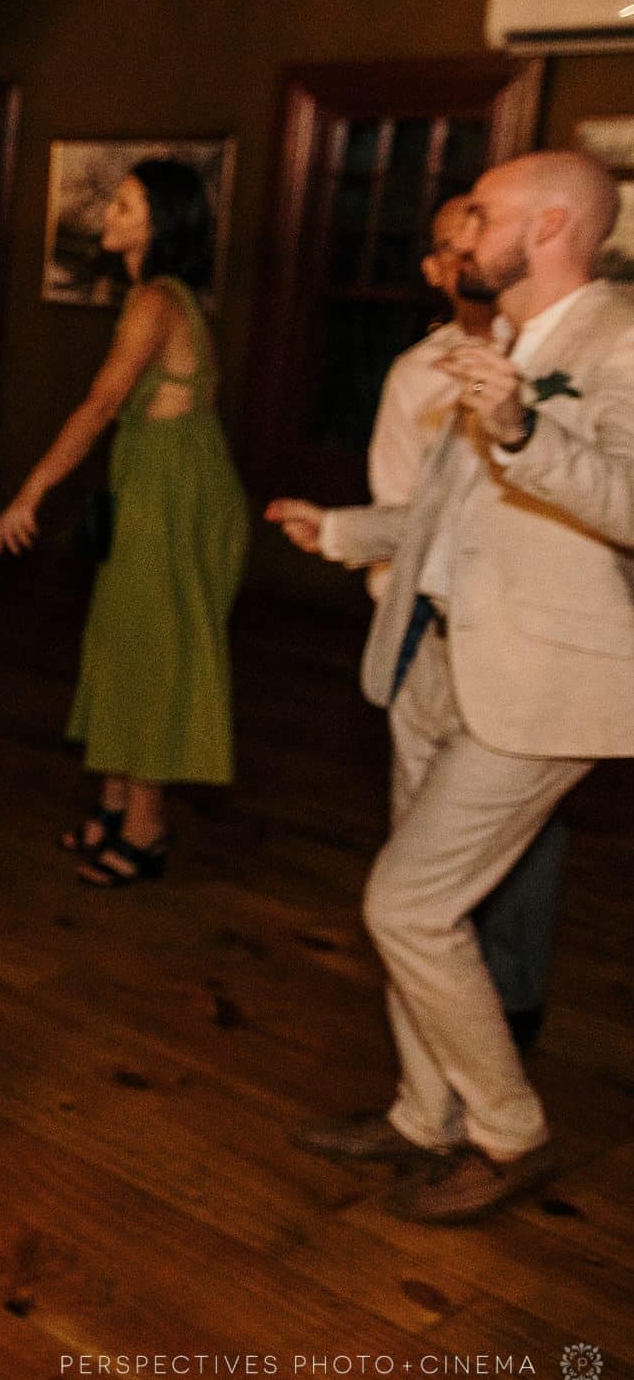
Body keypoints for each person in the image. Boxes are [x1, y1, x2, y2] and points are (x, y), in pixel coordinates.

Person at [267, 150, 632, 1224]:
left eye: (481, 215)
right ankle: (422, 1116)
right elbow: (450, 514)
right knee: (431, 907)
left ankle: (510, 1131)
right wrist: (342, 531)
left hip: (542, 678)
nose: (460, 235)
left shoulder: (620, 340)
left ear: (551, 225)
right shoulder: (504, 342)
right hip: (434, 657)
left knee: (408, 905)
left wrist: (522, 427)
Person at [0, 159, 248, 887]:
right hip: (155, 485)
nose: (111, 212)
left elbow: (102, 404)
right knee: (121, 643)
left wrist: (31, 492)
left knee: (157, 658)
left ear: (161, 223)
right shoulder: (153, 295)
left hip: (177, 496)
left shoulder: (157, 300)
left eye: (128, 205)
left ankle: (145, 829)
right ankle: (112, 808)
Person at [366, 198, 564, 1052]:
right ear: (438, 270)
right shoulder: (417, 374)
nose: (468, 255)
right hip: (431, 638)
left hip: (528, 654)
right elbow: (399, 515)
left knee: (521, 844)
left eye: (480, 234)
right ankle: (436, 1052)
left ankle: (508, 1012)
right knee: (418, 863)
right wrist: (404, 633)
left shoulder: (554, 356)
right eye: (453, 245)